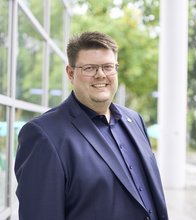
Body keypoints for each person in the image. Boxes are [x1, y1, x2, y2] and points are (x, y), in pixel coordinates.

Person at [14, 31, 169, 220]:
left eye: (108, 67)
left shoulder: (134, 120)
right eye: (89, 68)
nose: (101, 75)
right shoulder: (44, 135)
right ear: (71, 73)